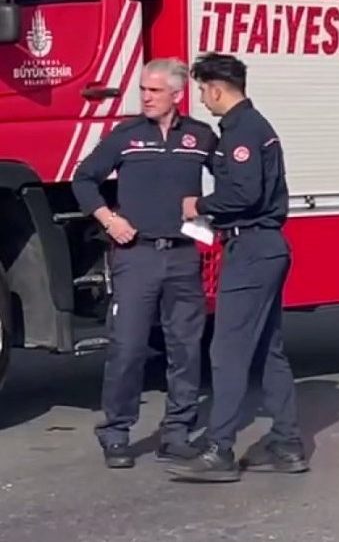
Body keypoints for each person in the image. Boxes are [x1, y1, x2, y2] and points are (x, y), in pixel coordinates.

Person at [167, 52, 306, 483]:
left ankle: (220, 450)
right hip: (265, 248)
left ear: (216, 89)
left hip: (251, 250)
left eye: (202, 90)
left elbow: (245, 194)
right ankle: (286, 445)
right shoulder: (251, 126)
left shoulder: (242, 131)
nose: (201, 99)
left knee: (227, 351)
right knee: (267, 349)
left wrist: (200, 205)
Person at [72, 58, 217, 469]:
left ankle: (177, 433)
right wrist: (109, 220)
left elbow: (231, 181)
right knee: (128, 347)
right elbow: (84, 179)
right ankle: (116, 433)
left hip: (183, 256)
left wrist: (209, 211)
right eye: (143, 90)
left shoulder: (201, 137)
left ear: (177, 94)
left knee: (185, 348)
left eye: (154, 91)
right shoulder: (127, 136)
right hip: (137, 257)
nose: (146, 97)